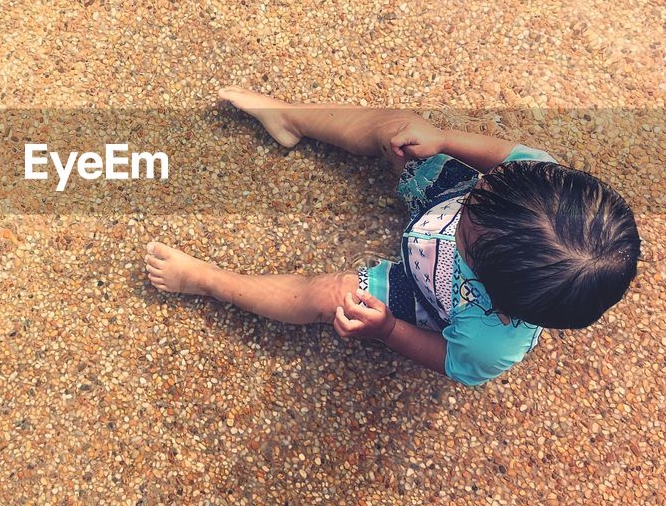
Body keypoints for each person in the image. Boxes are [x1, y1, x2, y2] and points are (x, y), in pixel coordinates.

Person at [144, 87, 640, 386]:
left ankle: (207, 279)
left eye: (469, 223)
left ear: (495, 293)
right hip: (448, 215)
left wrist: (387, 330)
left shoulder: (490, 340)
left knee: (332, 296)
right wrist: (443, 142)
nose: (476, 193)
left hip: (427, 294)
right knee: (402, 130)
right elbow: (506, 157)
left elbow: (446, 356)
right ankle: (288, 115)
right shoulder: (535, 187)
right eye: (484, 192)